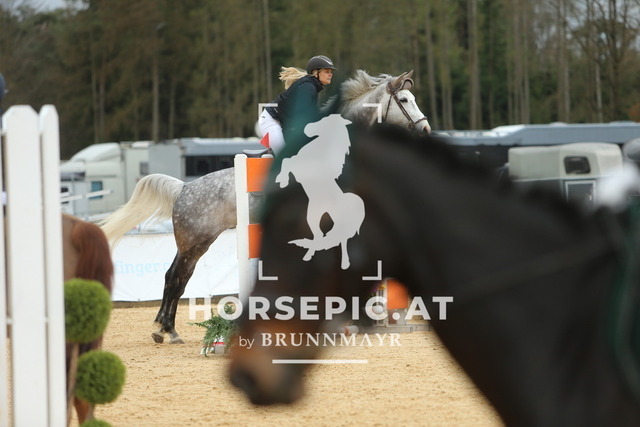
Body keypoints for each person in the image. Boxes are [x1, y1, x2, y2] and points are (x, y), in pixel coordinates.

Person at [259, 55, 336, 155]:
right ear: (316, 72)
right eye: (327, 71)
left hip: (282, 121)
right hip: (271, 121)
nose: (330, 74)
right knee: (285, 156)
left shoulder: (311, 86)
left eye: (331, 72)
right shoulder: (308, 87)